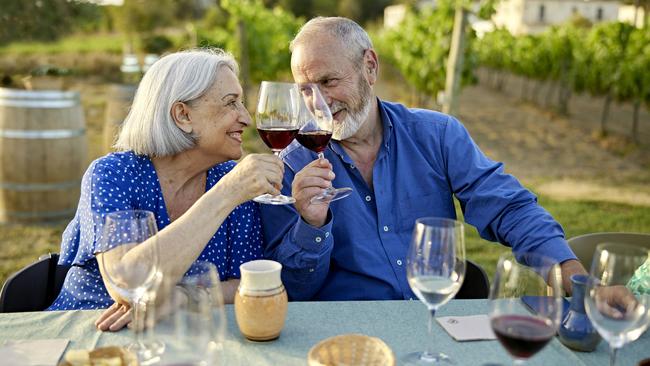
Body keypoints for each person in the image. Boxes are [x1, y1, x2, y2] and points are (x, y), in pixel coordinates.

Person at [259, 17, 587, 301]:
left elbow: (506, 206)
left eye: (328, 81)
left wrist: (568, 271)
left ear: (370, 67)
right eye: (305, 89)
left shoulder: (437, 135)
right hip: (352, 334)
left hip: (438, 316)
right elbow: (293, 289)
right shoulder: (290, 167)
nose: (319, 102)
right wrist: (311, 225)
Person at [47, 48, 285, 331]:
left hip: (184, 339)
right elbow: (128, 284)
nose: (246, 117)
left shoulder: (232, 179)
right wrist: (225, 194)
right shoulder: (113, 175)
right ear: (183, 115)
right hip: (89, 336)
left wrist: (180, 297)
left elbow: (249, 282)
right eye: (231, 103)